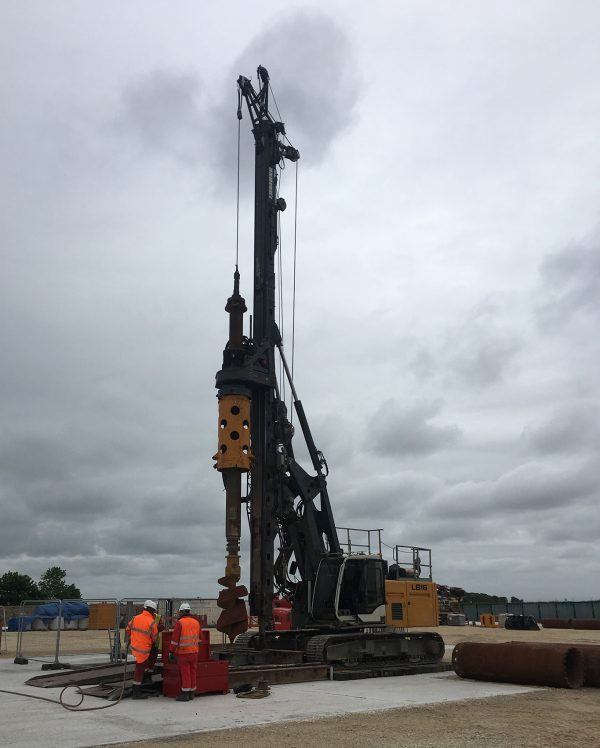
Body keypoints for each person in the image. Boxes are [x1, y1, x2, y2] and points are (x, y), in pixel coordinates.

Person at [125, 599, 159, 700]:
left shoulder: (135, 618)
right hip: (144, 650)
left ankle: (138, 688)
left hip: (135, 647)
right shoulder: (152, 622)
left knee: (140, 669)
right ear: (153, 611)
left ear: (144, 608)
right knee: (139, 670)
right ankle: (136, 693)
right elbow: (155, 638)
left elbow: (128, 629)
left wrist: (133, 638)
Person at [169, 602, 201, 702]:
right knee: (192, 672)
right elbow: (200, 638)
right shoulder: (196, 622)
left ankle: (185, 694)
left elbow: (175, 640)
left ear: (182, 611)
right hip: (194, 652)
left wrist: (171, 651)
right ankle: (192, 693)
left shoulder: (180, 623)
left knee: (185, 673)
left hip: (183, 653)